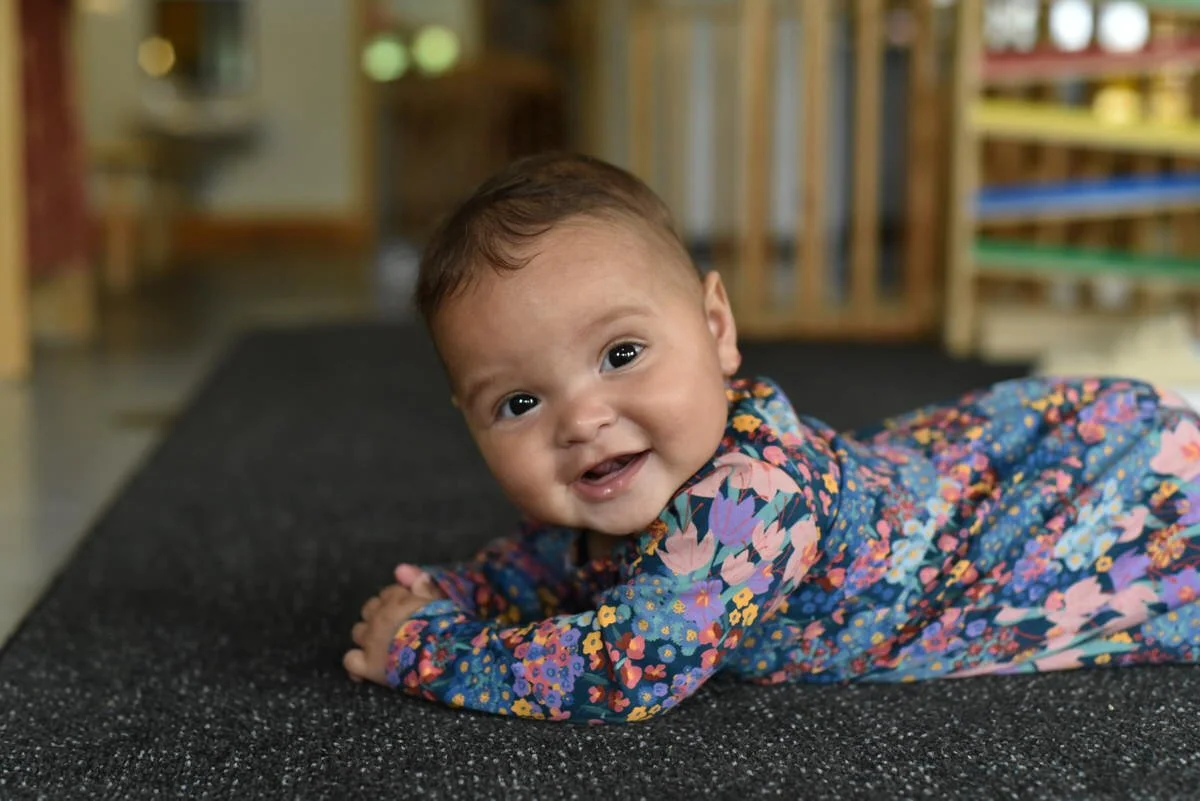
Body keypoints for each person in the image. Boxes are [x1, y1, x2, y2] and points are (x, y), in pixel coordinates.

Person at [343, 152, 1200, 723]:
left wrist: (429, 644)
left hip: (1108, 493)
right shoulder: (633, 469)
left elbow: (623, 667)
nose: (581, 418)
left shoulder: (750, 499)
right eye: (520, 402)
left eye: (622, 353)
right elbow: (556, 559)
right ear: (470, 420)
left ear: (717, 328)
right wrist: (462, 589)